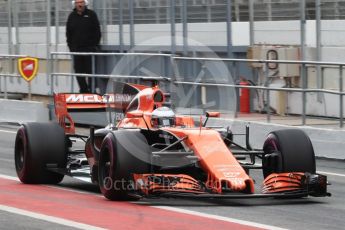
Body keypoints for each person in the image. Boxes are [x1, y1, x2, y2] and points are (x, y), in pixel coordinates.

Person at [66, 0, 101, 93]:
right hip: (76, 50)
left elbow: (97, 31)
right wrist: (71, 48)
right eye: (77, 2)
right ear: (74, 4)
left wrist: (94, 46)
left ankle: (92, 90)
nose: (79, 4)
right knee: (79, 72)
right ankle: (83, 90)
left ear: (85, 3)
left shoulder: (91, 15)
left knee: (91, 71)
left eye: (81, 2)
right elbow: (68, 34)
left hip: (89, 49)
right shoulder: (71, 16)